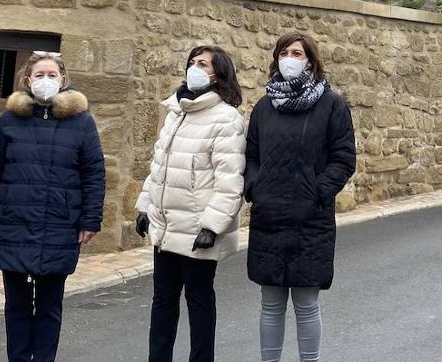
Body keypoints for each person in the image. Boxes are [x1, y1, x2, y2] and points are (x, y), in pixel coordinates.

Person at [0, 51, 106, 362]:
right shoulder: (9, 120)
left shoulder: (82, 122)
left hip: (59, 225)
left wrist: (89, 220)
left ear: (63, 80)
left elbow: (93, 173)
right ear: (27, 80)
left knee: (50, 305)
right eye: (39, 75)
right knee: (16, 306)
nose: (46, 80)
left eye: (52, 75)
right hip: (13, 223)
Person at [245, 32, 356, 362]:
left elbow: (343, 158)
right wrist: (255, 188)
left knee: (306, 304)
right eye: (284, 52)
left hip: (311, 219)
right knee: (270, 304)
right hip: (269, 216)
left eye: (297, 52)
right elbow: (251, 154)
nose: (289, 58)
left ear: (310, 60)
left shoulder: (332, 104)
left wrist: (318, 194)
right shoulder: (264, 107)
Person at [136, 45, 247, 362]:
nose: (195, 67)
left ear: (218, 74)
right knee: (162, 300)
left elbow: (230, 181)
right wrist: (145, 206)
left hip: (198, 231)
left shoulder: (226, 119)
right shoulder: (176, 112)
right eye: (192, 62)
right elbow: (159, 167)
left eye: (203, 63)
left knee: (199, 300)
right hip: (166, 226)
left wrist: (213, 227)